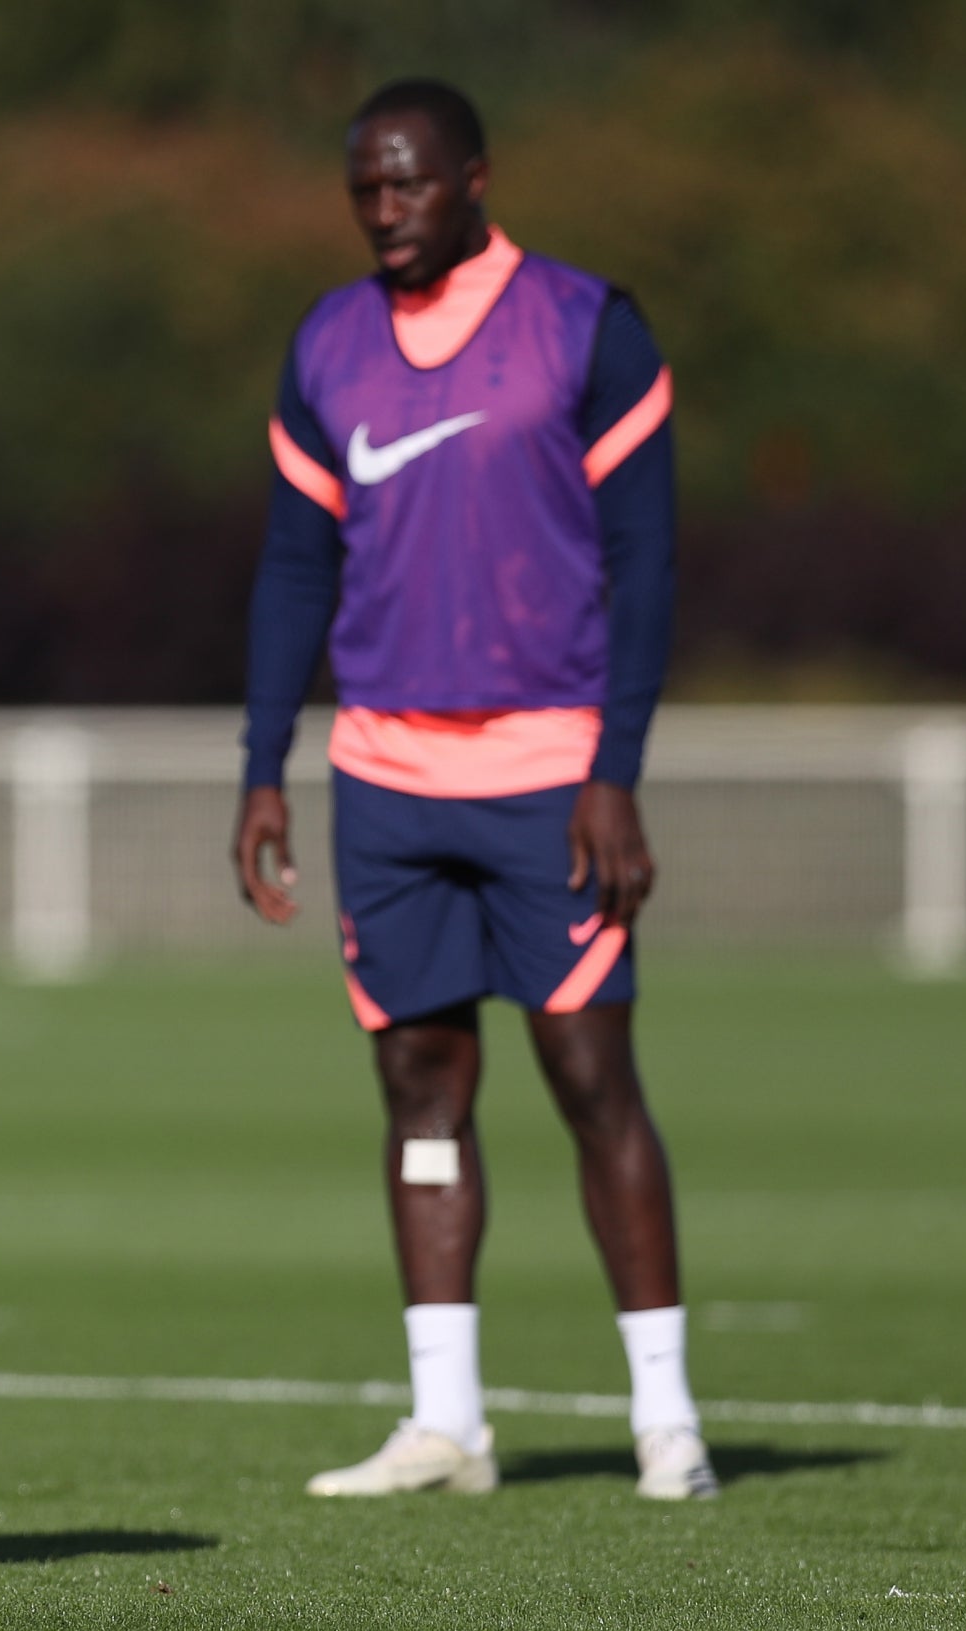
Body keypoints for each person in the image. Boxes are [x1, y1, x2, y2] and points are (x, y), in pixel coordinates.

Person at [234, 79, 715, 1502]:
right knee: (419, 1088)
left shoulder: (584, 324)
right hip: (384, 777)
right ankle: (447, 1423)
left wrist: (615, 770)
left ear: (475, 179)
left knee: (590, 1077)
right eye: (364, 190)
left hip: (547, 776)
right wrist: (262, 767)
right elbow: (294, 568)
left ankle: (666, 1419)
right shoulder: (328, 342)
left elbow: (646, 564)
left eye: (409, 184)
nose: (384, 211)